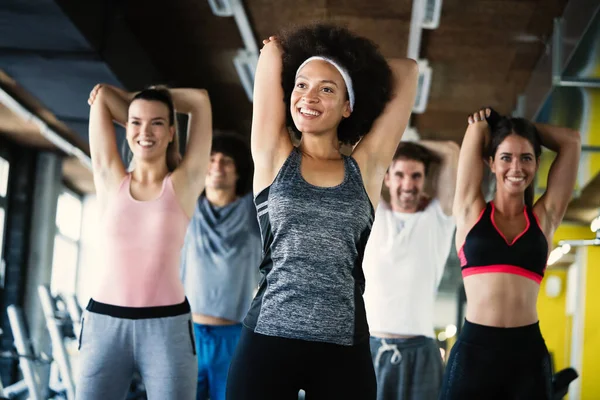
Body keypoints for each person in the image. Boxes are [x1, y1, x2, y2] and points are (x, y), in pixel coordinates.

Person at [225, 23, 419, 400]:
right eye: (301, 84)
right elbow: (269, 61)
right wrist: (278, 53)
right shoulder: (272, 157)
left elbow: (407, 71)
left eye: (326, 89)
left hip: (342, 345)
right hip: (268, 337)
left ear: (349, 106)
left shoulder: (366, 168)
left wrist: (352, 63)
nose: (308, 96)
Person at [78, 84, 213, 400]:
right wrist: (132, 105)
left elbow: (200, 100)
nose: (145, 131)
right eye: (136, 122)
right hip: (103, 324)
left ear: (170, 133)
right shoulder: (110, 179)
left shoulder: (184, 182)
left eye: (156, 122)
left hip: (167, 328)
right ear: (126, 128)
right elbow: (99, 96)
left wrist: (141, 98)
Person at [439, 108, 581, 399]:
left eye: (526, 158)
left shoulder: (545, 219)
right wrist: (496, 125)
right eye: (506, 157)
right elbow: (477, 129)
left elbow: (572, 140)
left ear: (537, 163)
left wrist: (515, 125)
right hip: (473, 356)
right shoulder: (470, 212)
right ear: (491, 162)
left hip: (527, 356)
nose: (516, 168)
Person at [363, 140, 459, 400]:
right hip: (371, 348)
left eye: (416, 176)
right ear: (387, 179)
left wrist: (403, 142)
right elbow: (364, 153)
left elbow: (450, 150)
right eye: (400, 175)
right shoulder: (372, 215)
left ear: (425, 179)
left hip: (422, 350)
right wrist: (395, 144)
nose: (408, 184)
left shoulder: (438, 218)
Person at [180, 133, 261, 400]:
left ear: (238, 171)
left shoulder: (252, 210)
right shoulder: (186, 205)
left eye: (226, 161)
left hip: (233, 336)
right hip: (186, 333)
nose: (217, 166)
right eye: (211, 159)